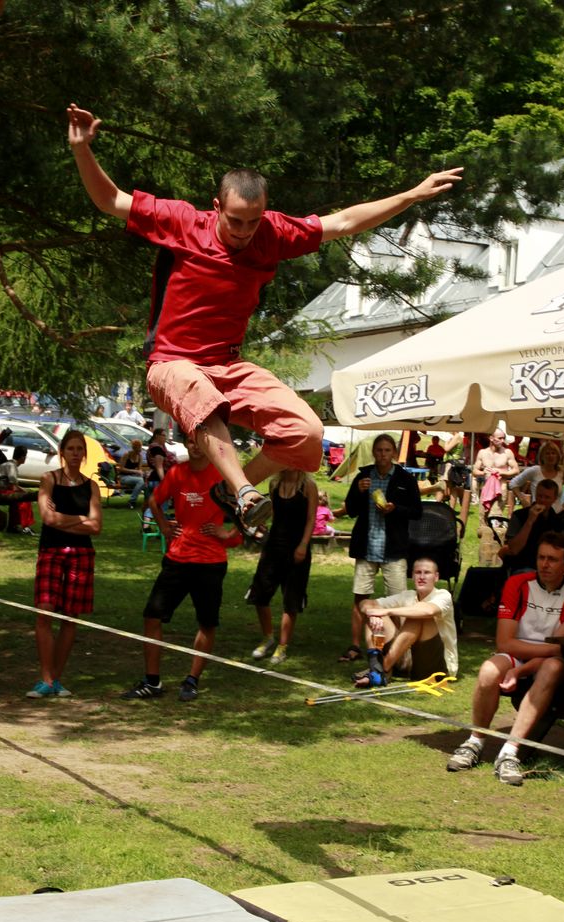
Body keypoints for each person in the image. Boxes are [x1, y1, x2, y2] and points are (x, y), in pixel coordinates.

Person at [67, 102, 462, 538]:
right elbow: (110, 199)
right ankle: (243, 491)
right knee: (200, 392)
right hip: (172, 365)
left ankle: (231, 490)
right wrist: (83, 149)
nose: (243, 231)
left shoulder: (272, 233)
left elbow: (346, 221)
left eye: (253, 222)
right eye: (235, 221)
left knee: (305, 432)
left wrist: (411, 195)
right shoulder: (182, 222)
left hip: (228, 366)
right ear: (217, 206)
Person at [447, 532, 564, 786]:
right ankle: (475, 742)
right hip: (518, 653)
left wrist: (520, 672)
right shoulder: (517, 583)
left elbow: (558, 649)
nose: (544, 564)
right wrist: (516, 666)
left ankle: (510, 752)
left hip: (551, 660)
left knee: (552, 667)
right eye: (541, 557)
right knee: (488, 670)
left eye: (553, 560)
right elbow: (504, 642)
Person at [121, 436, 241, 702]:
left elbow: (247, 519)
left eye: (201, 440)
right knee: (152, 615)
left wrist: (227, 533)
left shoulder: (223, 475)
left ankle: (192, 680)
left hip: (210, 563)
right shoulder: (177, 472)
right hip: (178, 559)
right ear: (186, 445)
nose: (196, 445)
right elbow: (154, 500)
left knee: (207, 623)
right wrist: (163, 525)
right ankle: (152, 682)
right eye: (191, 441)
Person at [28, 429, 102, 698]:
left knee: (71, 617)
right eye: (70, 449)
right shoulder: (49, 479)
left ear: (84, 453)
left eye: (79, 449)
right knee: (45, 612)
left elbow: (96, 526)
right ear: (62, 451)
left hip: (81, 555)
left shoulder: (91, 486)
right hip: (51, 551)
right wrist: (80, 520)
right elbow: (47, 520)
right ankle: (45, 678)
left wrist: (63, 517)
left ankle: (56, 679)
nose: (75, 453)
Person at [338, 434, 422, 664]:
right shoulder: (364, 476)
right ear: (373, 452)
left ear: (393, 453)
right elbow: (352, 510)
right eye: (379, 450)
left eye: (387, 451)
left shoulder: (405, 478)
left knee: (398, 601)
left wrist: (395, 509)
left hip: (393, 549)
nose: (383, 455)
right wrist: (358, 491)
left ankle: (397, 649)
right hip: (367, 547)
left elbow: (417, 511)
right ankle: (355, 646)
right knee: (360, 598)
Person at [247, 469, 318, 667]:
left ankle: (282, 645)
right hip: (274, 545)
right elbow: (275, 515)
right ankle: (268, 637)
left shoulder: (308, 486)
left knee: (291, 598)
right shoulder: (274, 484)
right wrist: (261, 525)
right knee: (260, 593)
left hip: (297, 546)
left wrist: (303, 544)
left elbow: (311, 518)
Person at [353, 558, 458, 688]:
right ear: (413, 576)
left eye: (427, 573)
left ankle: (382, 670)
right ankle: (376, 669)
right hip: (407, 660)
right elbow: (365, 603)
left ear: (436, 577)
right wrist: (373, 613)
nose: (422, 577)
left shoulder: (443, 595)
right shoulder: (408, 595)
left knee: (417, 615)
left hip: (438, 665)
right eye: (418, 572)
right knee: (374, 613)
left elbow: (428, 611)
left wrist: (387, 612)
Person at [501, 479, 563, 574]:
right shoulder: (519, 515)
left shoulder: (558, 520)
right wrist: (530, 521)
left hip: (549, 567)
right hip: (523, 566)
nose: (542, 500)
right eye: (539, 496)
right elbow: (514, 549)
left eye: (547, 497)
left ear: (554, 499)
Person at [472, 429, 519, 518]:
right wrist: (482, 472)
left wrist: (502, 472)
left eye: (503, 438)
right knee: (483, 519)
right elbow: (474, 471)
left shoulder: (507, 452)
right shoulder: (482, 452)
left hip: (500, 490)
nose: (502, 441)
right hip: (486, 489)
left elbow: (516, 470)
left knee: (494, 518)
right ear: (491, 438)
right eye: (500, 438)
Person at [0, 444, 36, 535]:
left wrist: (24, 490)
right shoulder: (12, 466)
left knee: (20, 498)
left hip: (0, 490)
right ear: (23, 457)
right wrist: (26, 491)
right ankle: (25, 527)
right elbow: (13, 486)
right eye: (25, 456)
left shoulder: (9, 464)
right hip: (0, 492)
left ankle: (15, 526)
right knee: (24, 500)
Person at [509, 441, 564, 511]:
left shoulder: (562, 473)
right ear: (542, 456)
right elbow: (513, 483)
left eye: (553, 453)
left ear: (558, 456)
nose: (551, 456)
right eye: (547, 453)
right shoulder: (534, 471)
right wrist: (522, 500)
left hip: (557, 515)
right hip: (537, 514)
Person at [116, 438, 146, 508]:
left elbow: (139, 469)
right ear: (134, 448)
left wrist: (141, 473)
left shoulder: (140, 456)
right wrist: (134, 471)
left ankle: (147, 502)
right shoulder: (127, 455)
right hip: (124, 477)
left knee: (147, 481)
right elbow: (121, 469)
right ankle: (132, 501)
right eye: (138, 448)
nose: (140, 450)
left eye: (140, 448)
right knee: (141, 481)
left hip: (134, 477)